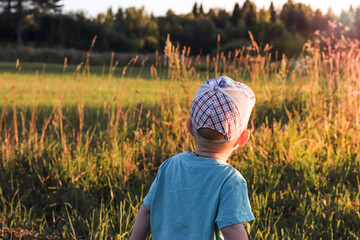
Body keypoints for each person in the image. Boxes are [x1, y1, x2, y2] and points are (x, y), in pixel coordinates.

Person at [130, 76, 256, 240]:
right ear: (243, 138)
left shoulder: (170, 166)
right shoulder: (229, 179)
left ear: (190, 127)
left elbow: (147, 210)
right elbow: (231, 228)